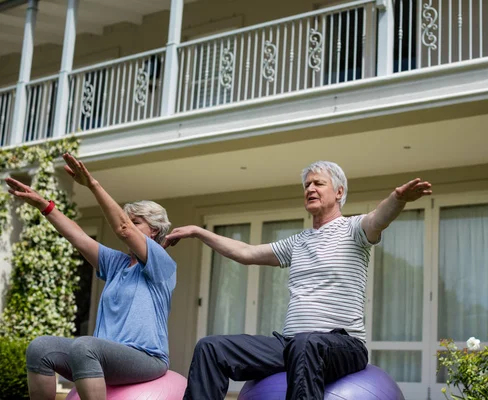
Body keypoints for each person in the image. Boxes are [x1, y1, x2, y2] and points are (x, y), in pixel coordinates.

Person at [164, 160, 432, 400]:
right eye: (307, 185)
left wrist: (398, 199)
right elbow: (245, 253)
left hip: (343, 345)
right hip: (292, 345)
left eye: (318, 183)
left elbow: (379, 218)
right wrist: (199, 231)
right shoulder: (298, 242)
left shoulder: (354, 230)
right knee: (211, 348)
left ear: (339, 192)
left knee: (307, 343)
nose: (310, 189)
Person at [6, 153, 176, 400]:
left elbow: (123, 230)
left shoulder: (161, 262)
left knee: (85, 345)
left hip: (146, 358)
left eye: (136, 222)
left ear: (155, 230)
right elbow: (79, 237)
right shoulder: (117, 264)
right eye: (128, 219)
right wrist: (46, 206)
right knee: (40, 347)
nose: (128, 224)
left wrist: (92, 185)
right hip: (100, 358)